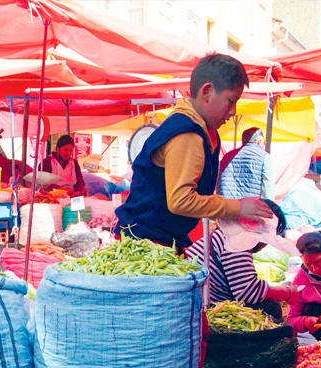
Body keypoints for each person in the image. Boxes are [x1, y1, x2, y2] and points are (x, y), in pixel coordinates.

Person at [115, 54, 274, 251]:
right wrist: (237, 207)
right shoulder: (187, 134)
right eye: (230, 101)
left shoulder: (201, 129)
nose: (233, 111)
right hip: (145, 244)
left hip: (157, 240)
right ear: (207, 92)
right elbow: (181, 201)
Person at [186, 200, 295, 321]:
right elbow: (248, 291)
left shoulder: (229, 235)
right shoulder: (235, 241)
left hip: (198, 302)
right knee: (271, 307)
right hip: (202, 308)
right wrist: (287, 293)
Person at [220, 127, 274, 200]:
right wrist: (269, 208)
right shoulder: (264, 157)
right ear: (260, 141)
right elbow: (268, 188)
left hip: (228, 207)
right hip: (251, 208)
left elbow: (219, 182)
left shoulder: (227, 156)